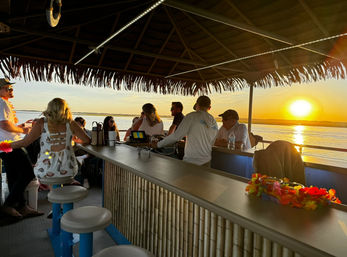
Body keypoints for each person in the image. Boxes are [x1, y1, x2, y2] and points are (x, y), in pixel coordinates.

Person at [10, 98, 91, 181]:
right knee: (59, 179)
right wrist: (73, 139)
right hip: (69, 170)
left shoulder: (42, 122)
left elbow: (24, 143)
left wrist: (5, 145)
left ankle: (55, 191)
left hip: (44, 170)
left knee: (50, 177)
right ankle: (58, 190)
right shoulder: (70, 123)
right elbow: (87, 140)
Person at [0, 78, 41, 218]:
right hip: (11, 144)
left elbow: (6, 125)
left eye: (11, 88)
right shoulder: (2, 102)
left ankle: (21, 206)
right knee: (28, 173)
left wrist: (20, 126)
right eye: (8, 88)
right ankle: (8, 205)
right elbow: (4, 125)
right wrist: (23, 131)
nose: (11, 90)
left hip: (3, 146)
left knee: (13, 175)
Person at [152, 96, 218, 166]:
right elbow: (212, 141)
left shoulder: (191, 116)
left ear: (197, 105)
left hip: (192, 161)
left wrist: (158, 144)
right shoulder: (213, 121)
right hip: (207, 161)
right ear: (209, 108)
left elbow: (176, 136)